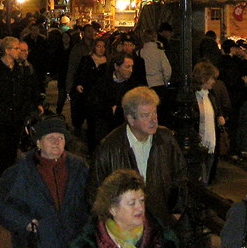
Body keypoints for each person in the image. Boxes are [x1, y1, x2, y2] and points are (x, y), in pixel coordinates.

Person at [87, 86, 187, 228]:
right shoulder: (109, 148)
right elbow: (95, 193)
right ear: (130, 119)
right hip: (124, 228)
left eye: (155, 113)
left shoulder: (166, 140)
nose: (154, 120)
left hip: (160, 223)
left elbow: (180, 177)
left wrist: (175, 214)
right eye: (146, 115)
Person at [0, 116, 89, 248]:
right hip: (36, 241)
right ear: (38, 143)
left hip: (74, 240)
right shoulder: (21, 170)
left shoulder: (79, 167)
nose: (56, 142)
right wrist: (25, 223)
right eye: (50, 138)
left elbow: (92, 200)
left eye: (60, 138)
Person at [71, 169, 180, 248]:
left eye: (142, 200)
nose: (140, 208)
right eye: (132, 203)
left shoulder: (163, 239)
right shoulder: (89, 242)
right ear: (112, 209)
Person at [0, 37, 36, 185]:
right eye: (16, 48)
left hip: (16, 115)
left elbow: (26, 91)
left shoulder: (20, 69)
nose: (19, 51)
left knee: (12, 147)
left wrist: (24, 110)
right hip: (0, 116)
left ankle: (5, 176)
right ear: (7, 50)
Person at [89, 51, 138, 144]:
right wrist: (110, 110)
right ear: (116, 66)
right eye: (127, 66)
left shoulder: (133, 85)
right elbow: (94, 104)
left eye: (132, 66)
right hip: (105, 128)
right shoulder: (102, 83)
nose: (130, 70)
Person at [193, 60, 227, 184]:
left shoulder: (210, 96)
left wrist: (219, 117)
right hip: (199, 143)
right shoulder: (194, 97)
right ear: (204, 78)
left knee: (207, 175)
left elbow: (216, 112)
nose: (214, 81)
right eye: (212, 78)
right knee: (201, 176)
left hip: (211, 142)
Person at [71, 37, 108, 145]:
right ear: (94, 47)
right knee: (88, 118)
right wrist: (78, 84)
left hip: (100, 96)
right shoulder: (86, 59)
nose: (101, 49)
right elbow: (79, 73)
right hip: (87, 94)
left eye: (103, 46)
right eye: (98, 46)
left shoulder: (107, 62)